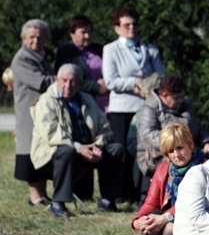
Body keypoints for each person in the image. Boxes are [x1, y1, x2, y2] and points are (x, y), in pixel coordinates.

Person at [30, 64, 124, 217]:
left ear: (80, 83)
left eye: (73, 81)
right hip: (52, 153)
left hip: (87, 149)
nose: (68, 85)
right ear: (57, 80)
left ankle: (108, 199)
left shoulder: (87, 99)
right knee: (65, 150)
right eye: (64, 80)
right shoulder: (46, 101)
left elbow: (104, 127)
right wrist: (80, 149)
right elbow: (53, 134)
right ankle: (58, 202)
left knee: (116, 149)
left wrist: (98, 145)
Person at [103, 5, 165, 202]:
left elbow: (160, 77)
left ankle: (141, 194)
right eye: (126, 24)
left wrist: (150, 86)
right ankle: (120, 194)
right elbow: (110, 80)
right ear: (117, 28)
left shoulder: (151, 50)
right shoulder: (110, 49)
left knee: (144, 151)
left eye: (134, 24)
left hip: (146, 108)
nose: (131, 28)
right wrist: (133, 83)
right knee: (122, 152)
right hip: (121, 108)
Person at [132, 123, 205, 235]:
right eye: (171, 151)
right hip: (169, 219)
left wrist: (166, 217)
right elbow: (151, 202)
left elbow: (192, 204)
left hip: (196, 222)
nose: (176, 154)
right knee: (150, 218)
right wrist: (138, 221)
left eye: (180, 148)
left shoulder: (204, 167)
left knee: (169, 228)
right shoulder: (163, 169)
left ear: (190, 146)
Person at [136, 74, 209, 200]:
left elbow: (198, 128)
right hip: (156, 154)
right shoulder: (148, 108)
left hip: (188, 149)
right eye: (176, 98)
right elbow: (149, 135)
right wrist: (176, 145)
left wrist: (207, 143)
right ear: (164, 95)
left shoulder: (186, 105)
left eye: (182, 97)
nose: (181, 100)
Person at [10, 19, 56, 207]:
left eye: (40, 37)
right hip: (28, 114)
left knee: (42, 153)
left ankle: (43, 194)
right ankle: (35, 196)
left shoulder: (41, 57)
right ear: (24, 38)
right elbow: (41, 82)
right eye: (31, 37)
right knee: (30, 152)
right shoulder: (22, 58)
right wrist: (65, 79)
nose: (35, 40)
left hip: (42, 114)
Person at [55, 15, 109, 113]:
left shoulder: (100, 49)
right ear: (72, 33)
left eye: (89, 32)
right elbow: (66, 80)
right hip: (81, 103)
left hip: (105, 103)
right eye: (83, 33)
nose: (87, 36)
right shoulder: (66, 52)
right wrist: (96, 86)